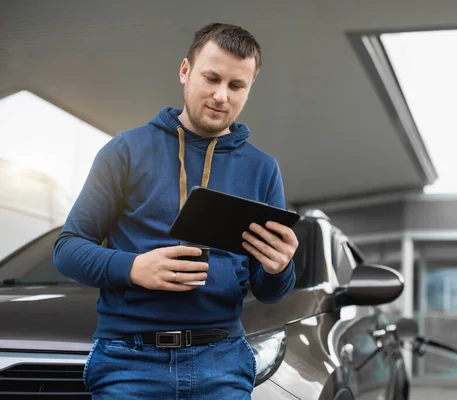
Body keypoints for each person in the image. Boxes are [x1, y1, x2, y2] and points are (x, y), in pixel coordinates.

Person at [53, 22, 299, 399]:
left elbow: (268, 292)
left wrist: (279, 268)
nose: (221, 96)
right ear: (185, 71)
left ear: (249, 90)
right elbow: (67, 249)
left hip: (223, 360)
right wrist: (135, 268)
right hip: (128, 361)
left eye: (236, 86)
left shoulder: (262, 168)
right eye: (211, 78)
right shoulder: (125, 151)